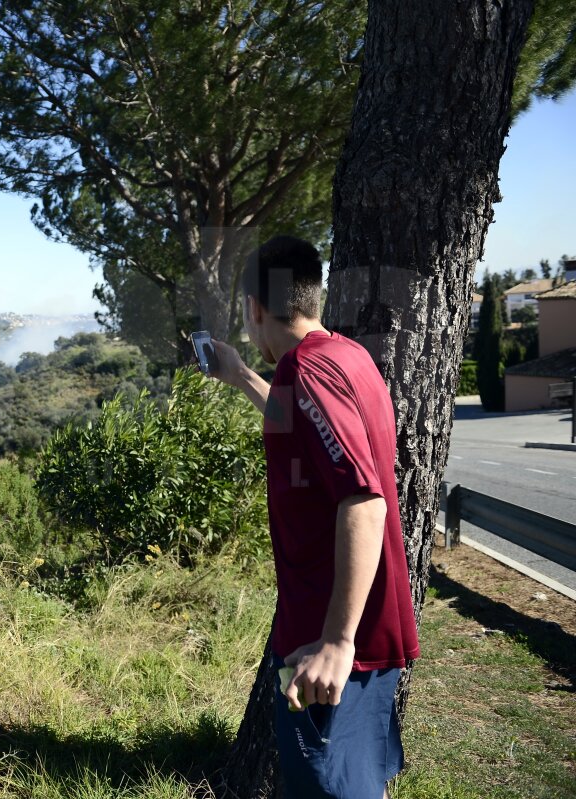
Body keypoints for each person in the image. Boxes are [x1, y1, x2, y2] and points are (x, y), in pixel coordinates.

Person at [209, 236, 419, 799]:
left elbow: (363, 499)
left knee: (329, 789)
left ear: (254, 309)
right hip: (358, 635)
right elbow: (310, 428)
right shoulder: (344, 358)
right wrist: (240, 377)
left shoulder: (307, 373)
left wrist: (336, 641)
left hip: (328, 650)